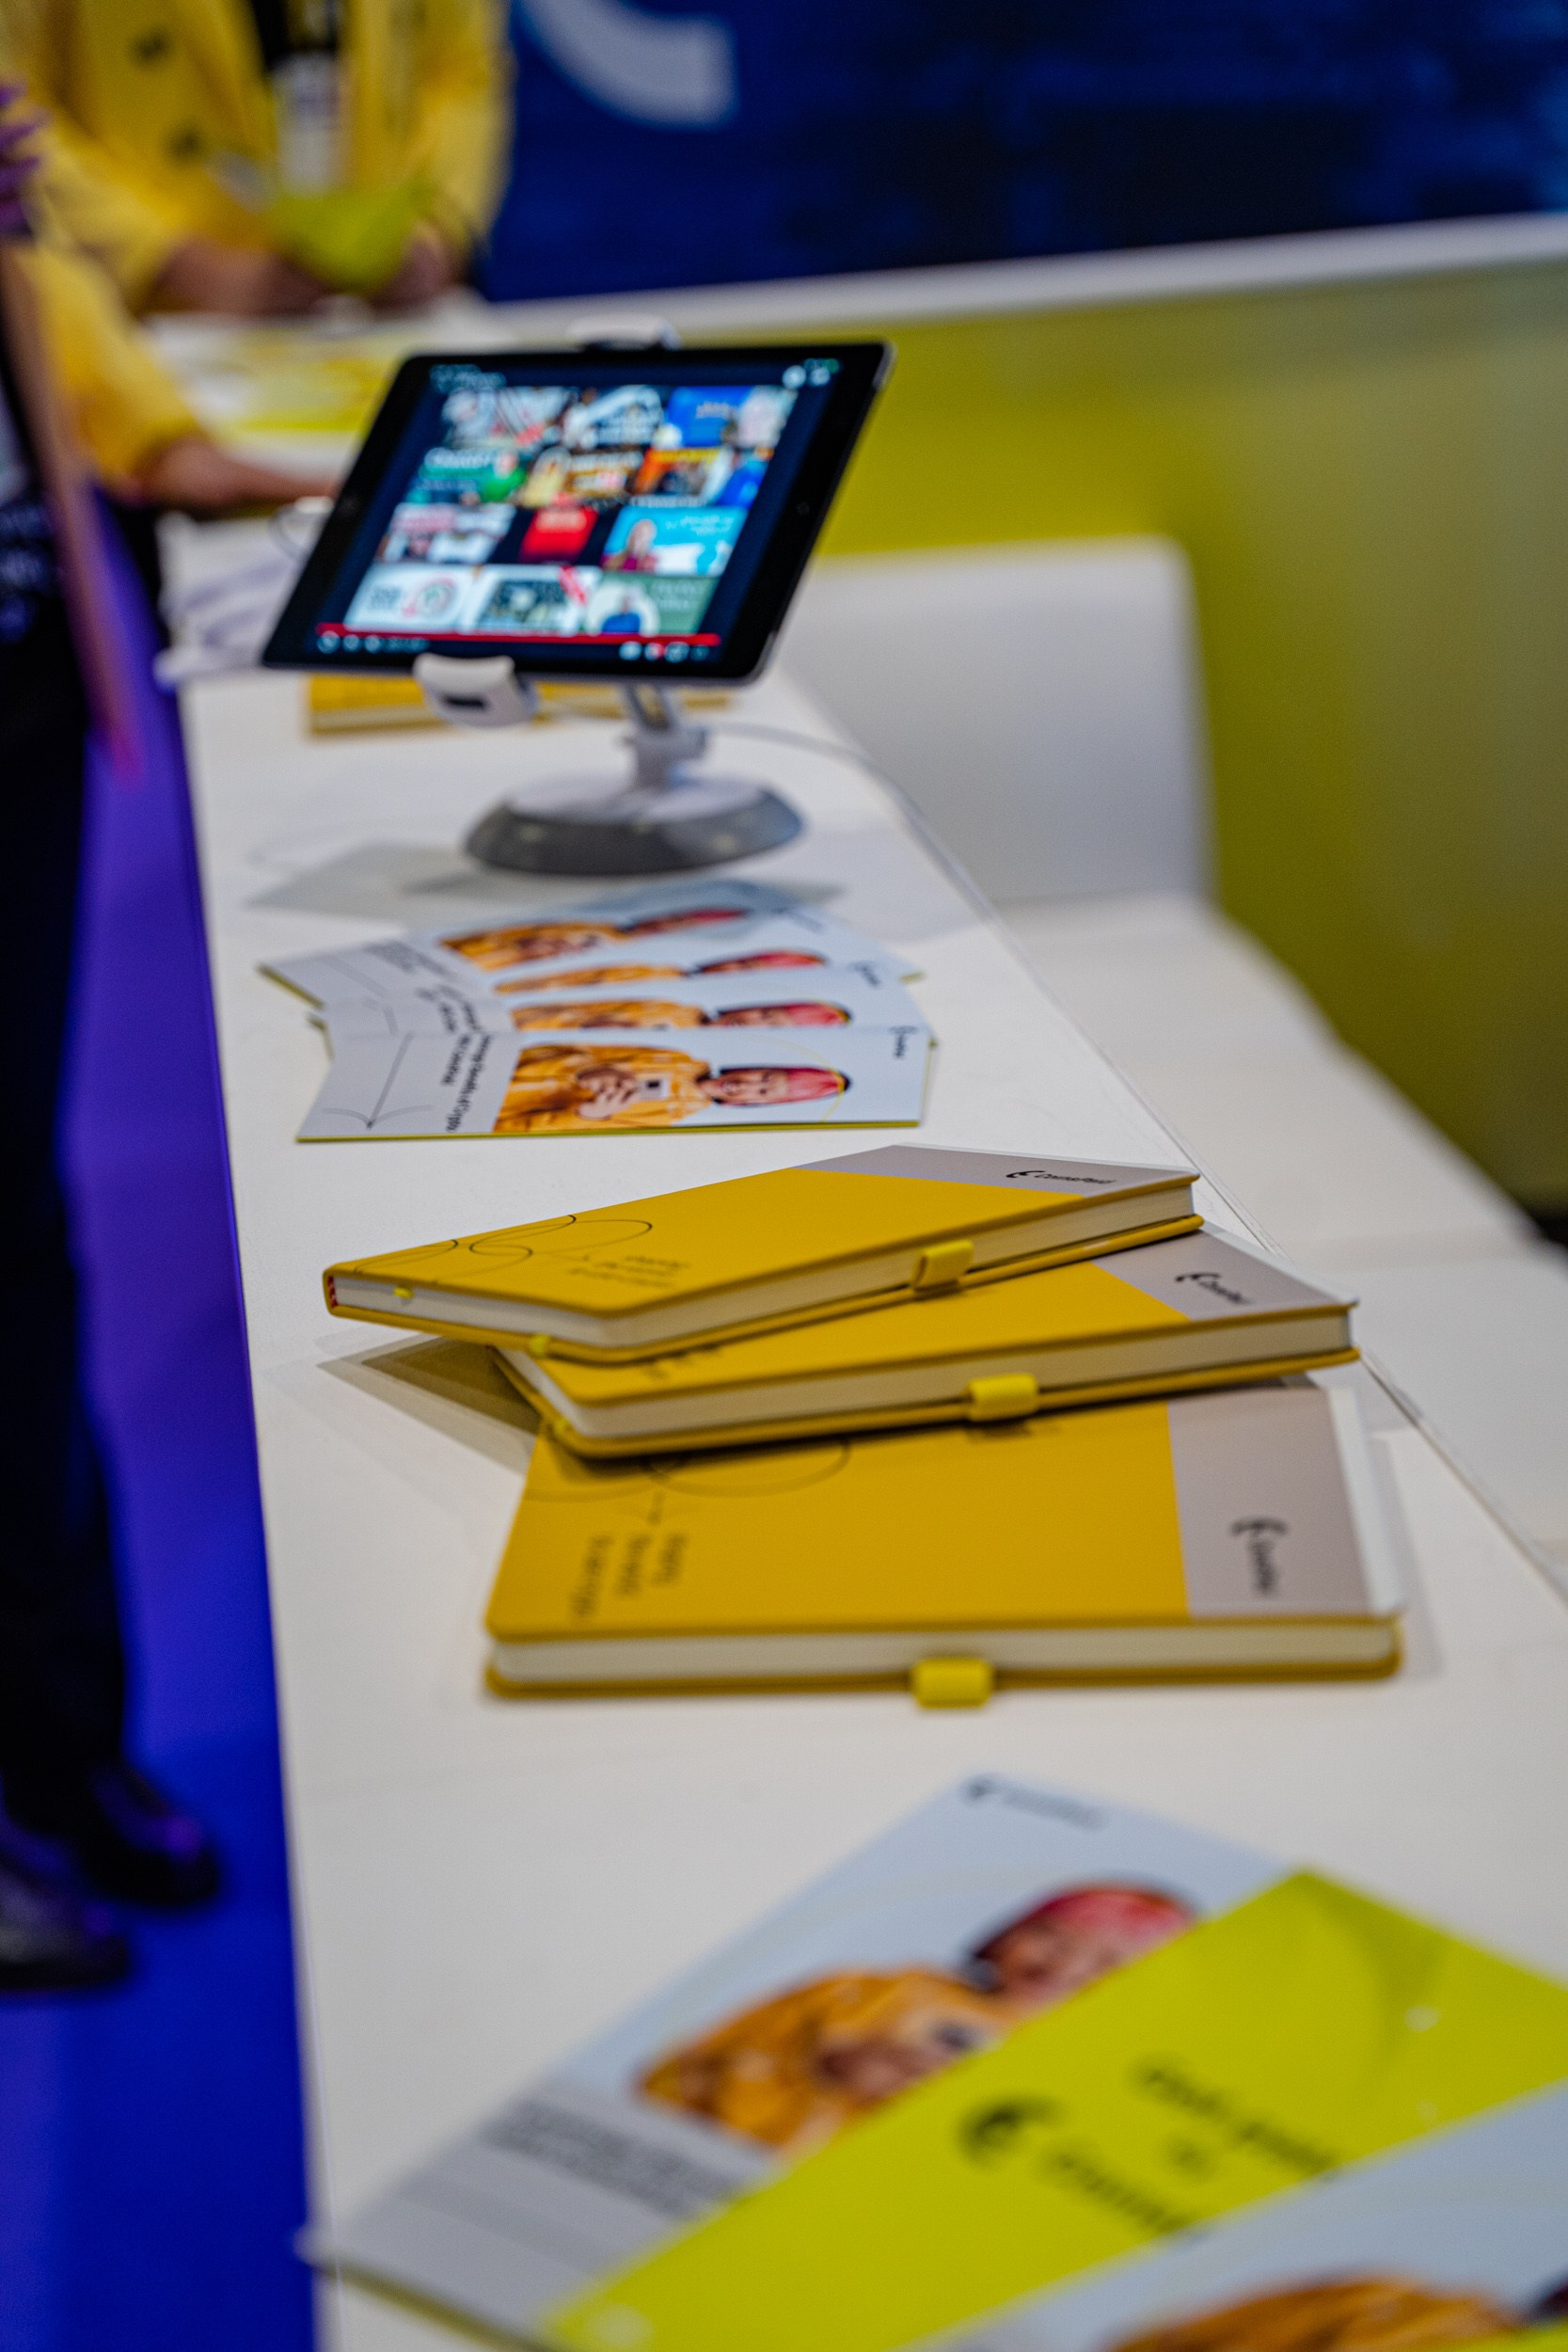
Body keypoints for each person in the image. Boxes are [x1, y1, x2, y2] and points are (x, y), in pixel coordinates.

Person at [0, 88, 245, 1993]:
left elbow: (37, 238)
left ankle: (59, 1747)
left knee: (16, 1230)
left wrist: (157, 433)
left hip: (10, 620)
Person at [9, 0, 510, 315]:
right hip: (150, 319)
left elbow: (462, 68)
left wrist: (437, 232)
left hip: (375, 308)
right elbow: (13, 110)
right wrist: (169, 259)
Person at [637, 1881, 1196, 2158]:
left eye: (1107, 1963)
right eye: (1051, 1937)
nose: (1065, 1966)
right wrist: (822, 2069)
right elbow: (683, 2070)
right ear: (1006, 1931)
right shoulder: (865, 1991)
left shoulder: (1094, 2081)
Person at [493, 1042, 848, 1134]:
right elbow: (556, 1045)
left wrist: (587, 1115)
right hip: (495, 1067)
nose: (747, 1085)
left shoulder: (671, 1117)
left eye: (762, 1093)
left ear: (751, 1106)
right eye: (763, 1076)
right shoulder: (676, 1057)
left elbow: (522, 1132)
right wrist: (585, 1069)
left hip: (492, 1111)